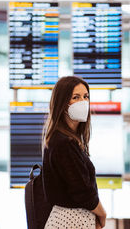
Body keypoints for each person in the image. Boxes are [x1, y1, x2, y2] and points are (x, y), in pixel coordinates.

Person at [42, 76, 107, 229]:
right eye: (75, 97)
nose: (83, 102)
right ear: (62, 103)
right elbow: (82, 191)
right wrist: (102, 214)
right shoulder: (64, 143)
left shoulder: (65, 140)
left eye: (86, 97)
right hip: (70, 221)